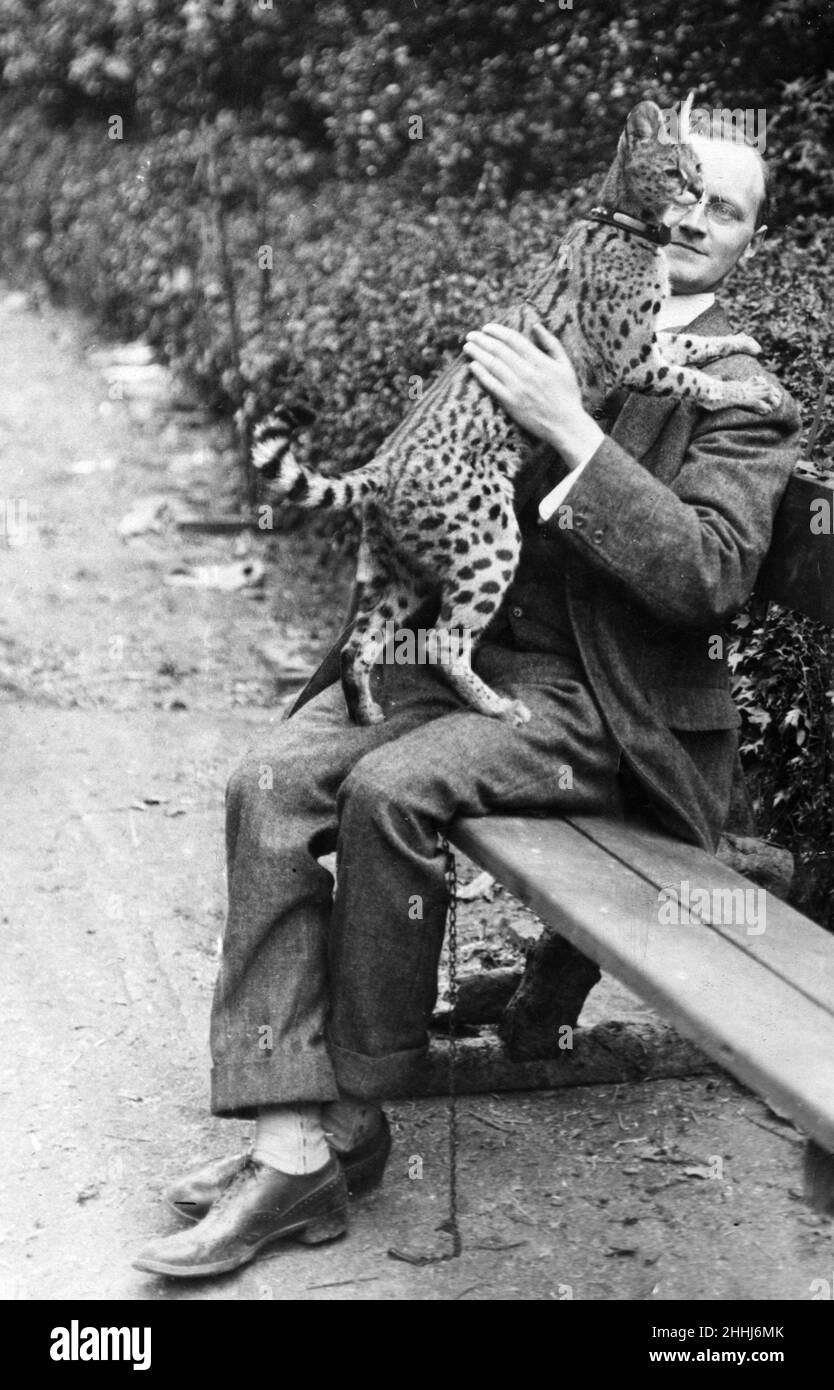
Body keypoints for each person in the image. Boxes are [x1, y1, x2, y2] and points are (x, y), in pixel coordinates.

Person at [134, 120, 800, 1278]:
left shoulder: (746, 396)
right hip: (477, 668)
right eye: (685, 197)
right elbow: (446, 474)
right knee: (269, 781)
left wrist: (571, 427)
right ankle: (300, 1129)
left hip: (610, 708)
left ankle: (336, 1127)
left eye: (727, 211)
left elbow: (706, 575)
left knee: (394, 787)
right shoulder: (562, 304)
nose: (693, 220)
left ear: (750, 243)